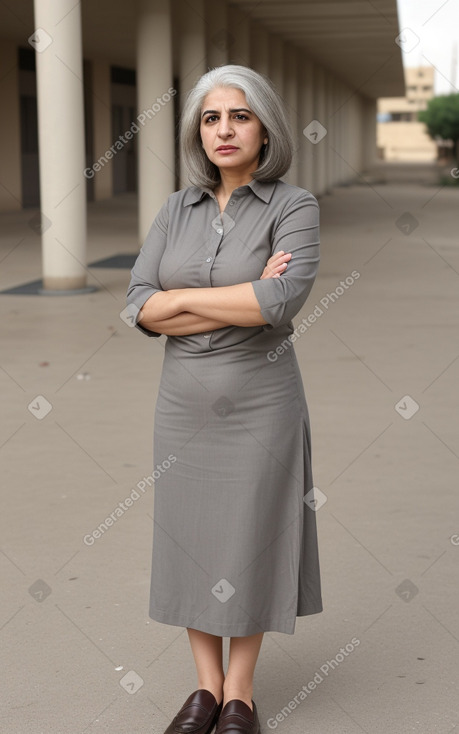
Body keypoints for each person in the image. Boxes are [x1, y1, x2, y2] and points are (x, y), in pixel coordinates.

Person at [126, 64, 323, 734]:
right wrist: (230, 303)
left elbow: (279, 300)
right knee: (192, 542)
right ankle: (203, 689)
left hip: (260, 401)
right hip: (182, 403)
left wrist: (175, 299)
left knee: (249, 540)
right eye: (210, 118)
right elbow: (137, 307)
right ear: (197, 133)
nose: (223, 129)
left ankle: (239, 692)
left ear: (264, 126)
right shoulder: (173, 210)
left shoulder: (293, 206)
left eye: (238, 115)